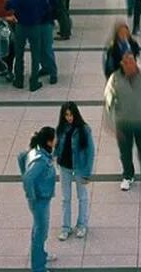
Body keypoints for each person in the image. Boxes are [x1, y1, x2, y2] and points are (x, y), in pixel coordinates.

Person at [104, 53, 141, 197]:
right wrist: (111, 124)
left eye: (132, 63)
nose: (130, 66)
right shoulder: (115, 79)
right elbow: (108, 102)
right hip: (123, 125)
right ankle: (128, 176)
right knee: (125, 153)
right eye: (126, 63)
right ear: (122, 65)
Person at [18, 126, 58, 272]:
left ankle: (41, 254)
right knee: (41, 231)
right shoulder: (41, 161)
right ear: (49, 142)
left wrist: (24, 170)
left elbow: (21, 156)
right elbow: (28, 177)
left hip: (39, 199)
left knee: (39, 229)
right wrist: (32, 195)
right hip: (40, 200)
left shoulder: (36, 151)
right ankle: (38, 267)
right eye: (55, 138)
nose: (57, 140)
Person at [55, 102, 95, 240]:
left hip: (79, 167)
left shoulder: (84, 129)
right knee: (65, 198)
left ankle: (82, 225)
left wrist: (87, 173)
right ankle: (66, 227)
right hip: (64, 166)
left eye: (71, 114)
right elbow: (56, 146)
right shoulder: (61, 129)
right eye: (66, 115)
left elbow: (90, 152)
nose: (69, 118)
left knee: (82, 197)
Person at [7, 0, 53, 91]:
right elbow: (47, 8)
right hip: (35, 27)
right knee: (35, 55)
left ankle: (19, 80)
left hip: (21, 26)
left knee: (19, 54)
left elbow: (7, 6)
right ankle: (34, 82)